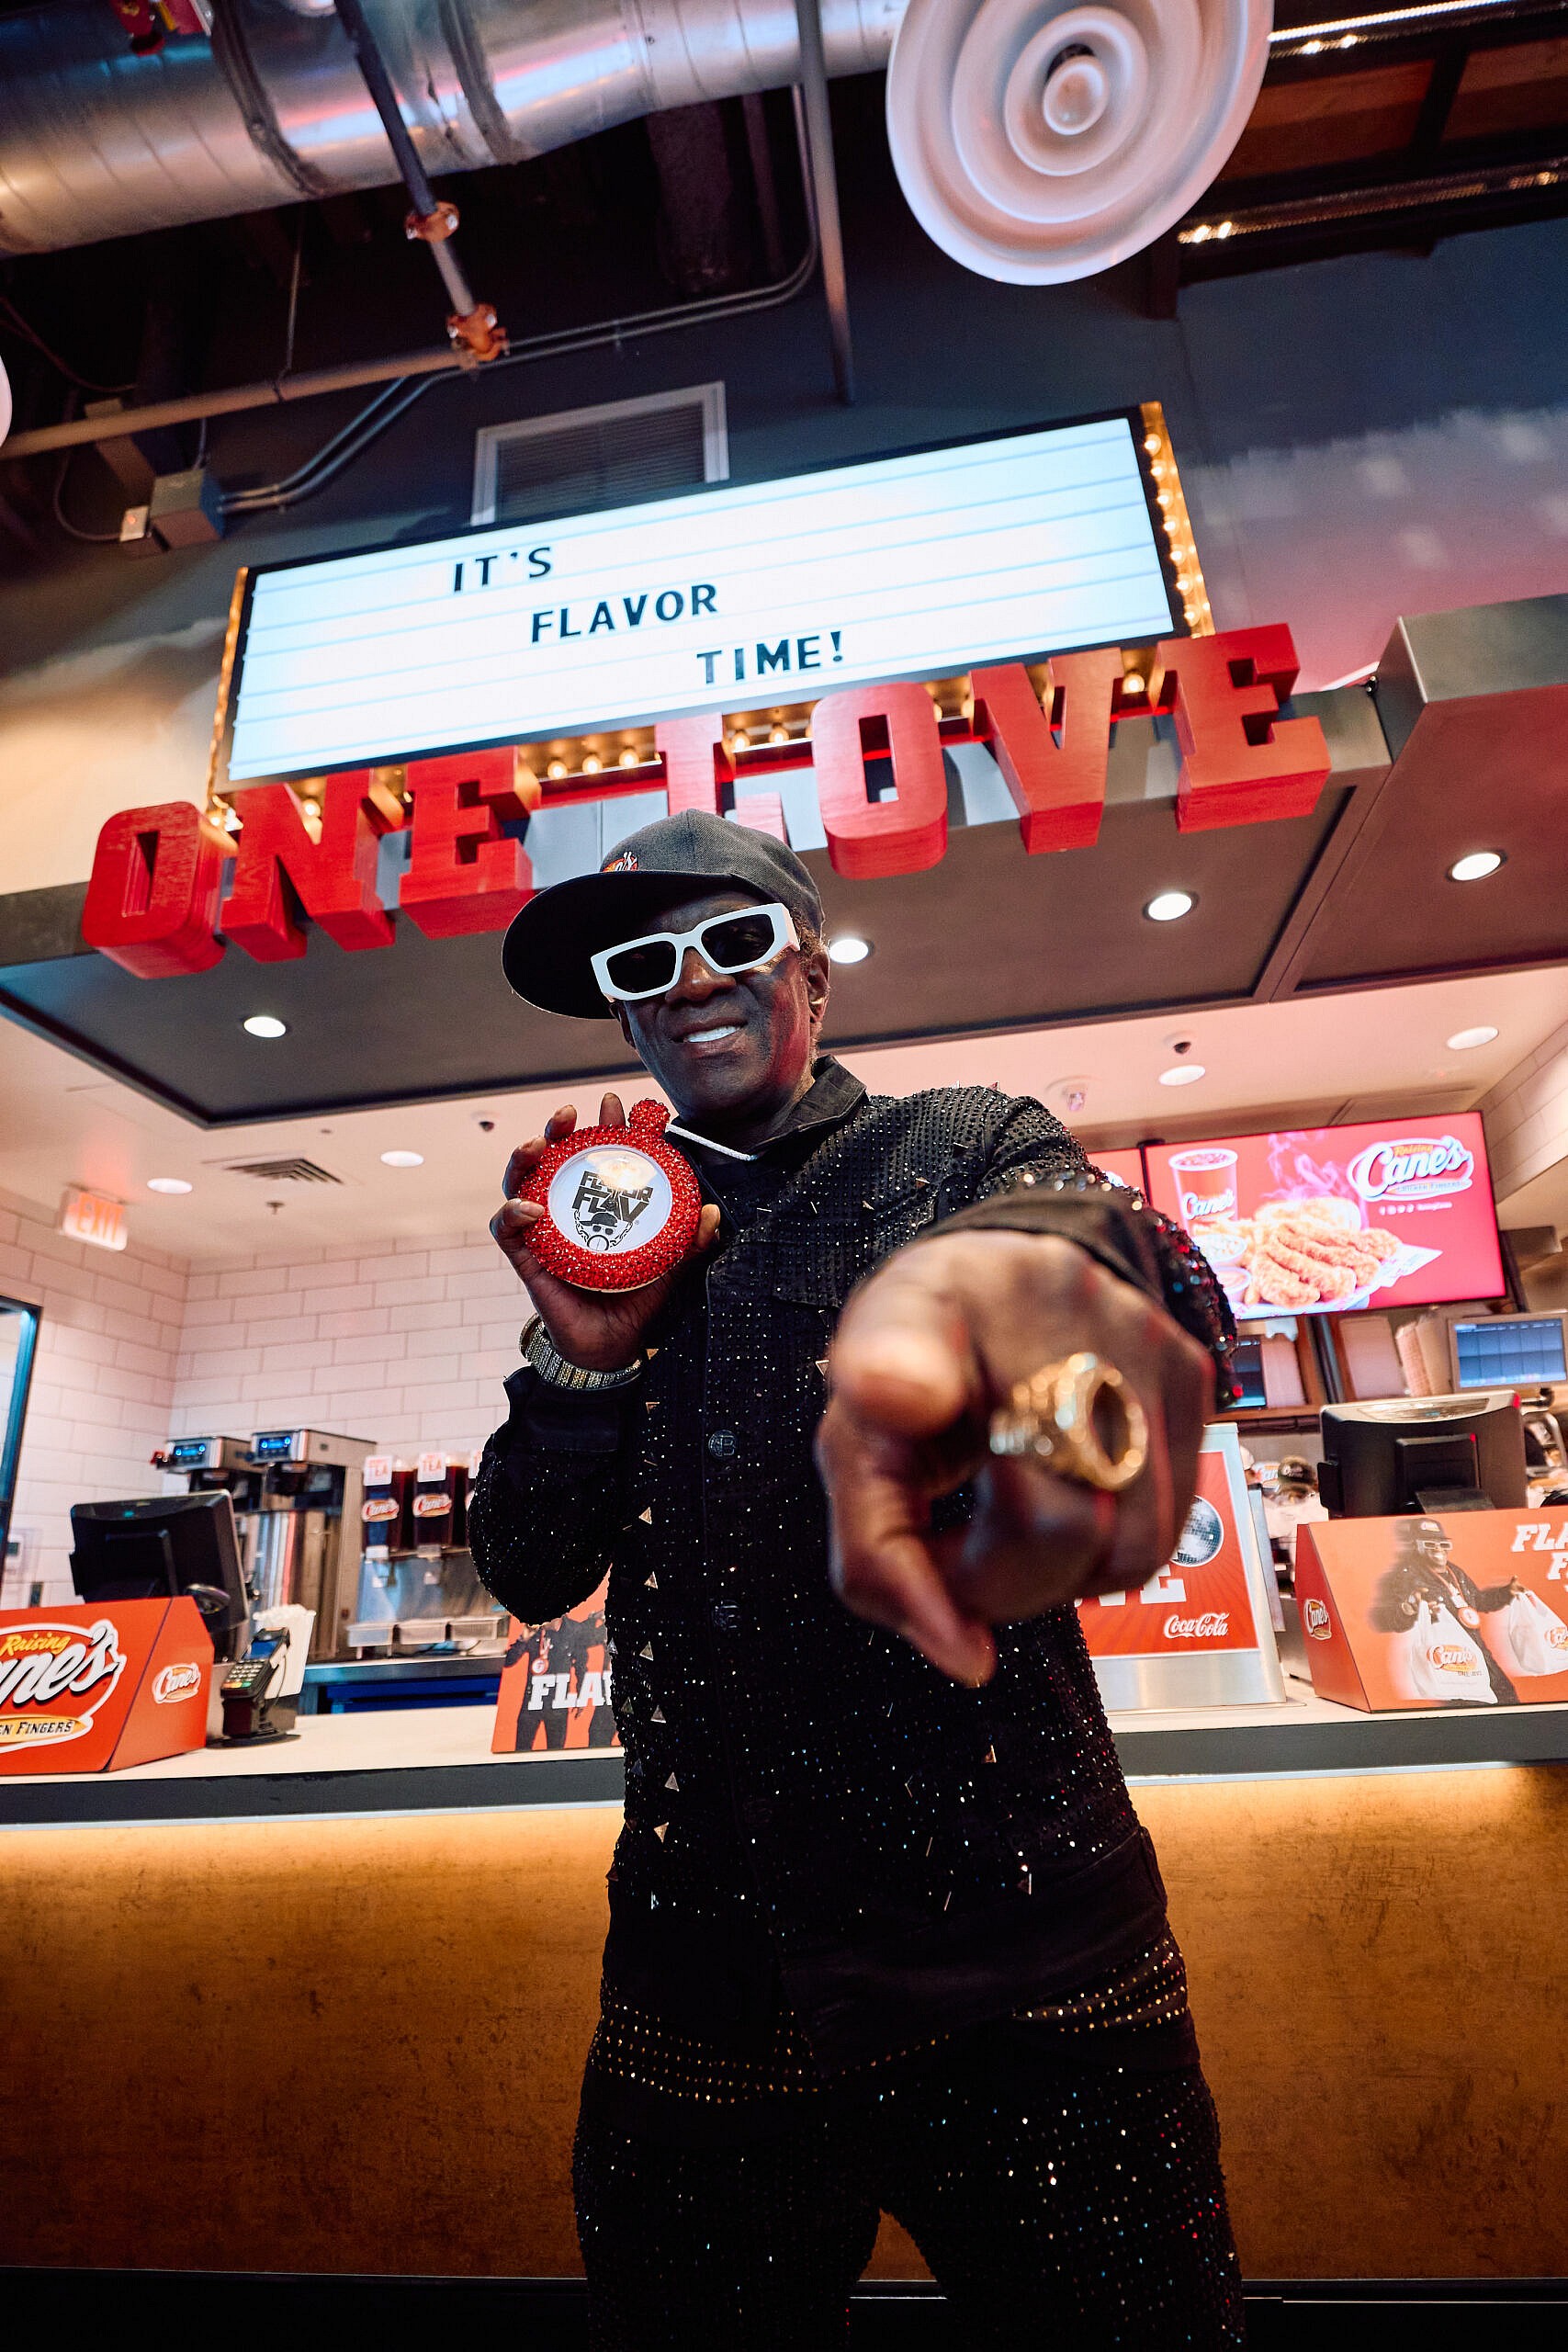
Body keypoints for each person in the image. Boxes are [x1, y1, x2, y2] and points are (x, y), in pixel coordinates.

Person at [468, 810, 1245, 2349]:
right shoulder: (614, 1234)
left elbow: (1147, 1301)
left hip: (1026, 1965)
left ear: (811, 973)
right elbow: (529, 1567)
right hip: (706, 1981)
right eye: (644, 966)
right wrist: (582, 1362)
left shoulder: (962, 1146)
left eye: (733, 941)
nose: (692, 982)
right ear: (623, 1017)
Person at [1370, 1515, 1523, 1704]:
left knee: (1508, 1699)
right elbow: (1382, 1618)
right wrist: (1408, 1608)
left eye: (1443, 1544)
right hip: (1446, 1662)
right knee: (1469, 1711)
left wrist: (1507, 1593)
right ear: (1416, 1546)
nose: (1438, 1550)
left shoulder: (1454, 1572)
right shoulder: (1406, 1577)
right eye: (1430, 1544)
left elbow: (1479, 1601)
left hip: (1478, 1655)